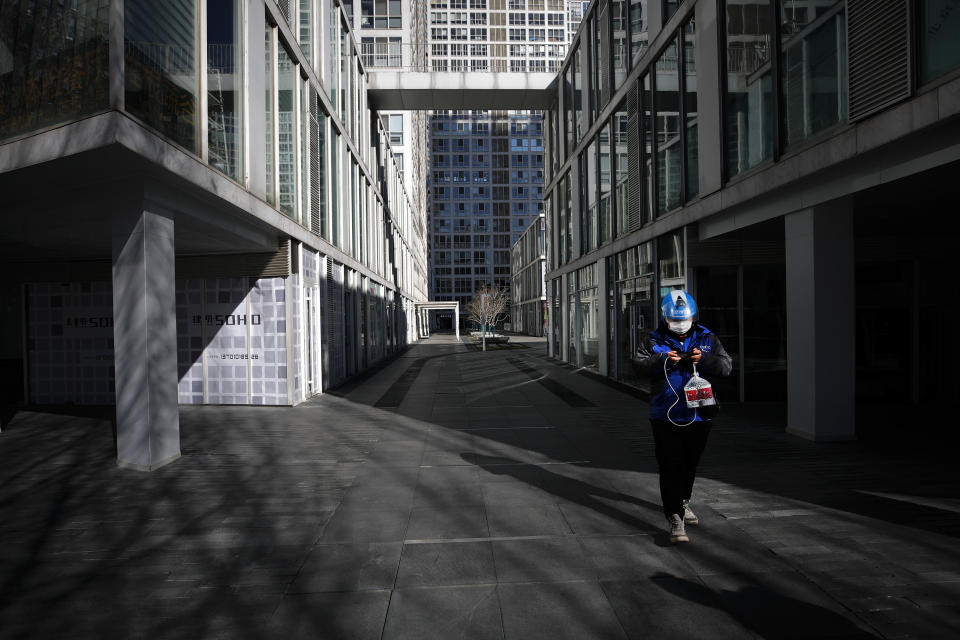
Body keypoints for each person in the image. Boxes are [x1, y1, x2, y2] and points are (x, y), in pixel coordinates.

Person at [633, 289, 732, 544]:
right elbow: (638, 365)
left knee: (689, 463)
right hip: (664, 414)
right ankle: (674, 516)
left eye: (684, 320)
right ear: (665, 318)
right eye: (674, 321)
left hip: (699, 414)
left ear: (692, 316)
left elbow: (726, 366)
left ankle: (683, 500)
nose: (680, 325)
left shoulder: (707, 337)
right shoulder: (652, 340)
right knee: (669, 465)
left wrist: (705, 359)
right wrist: (662, 360)